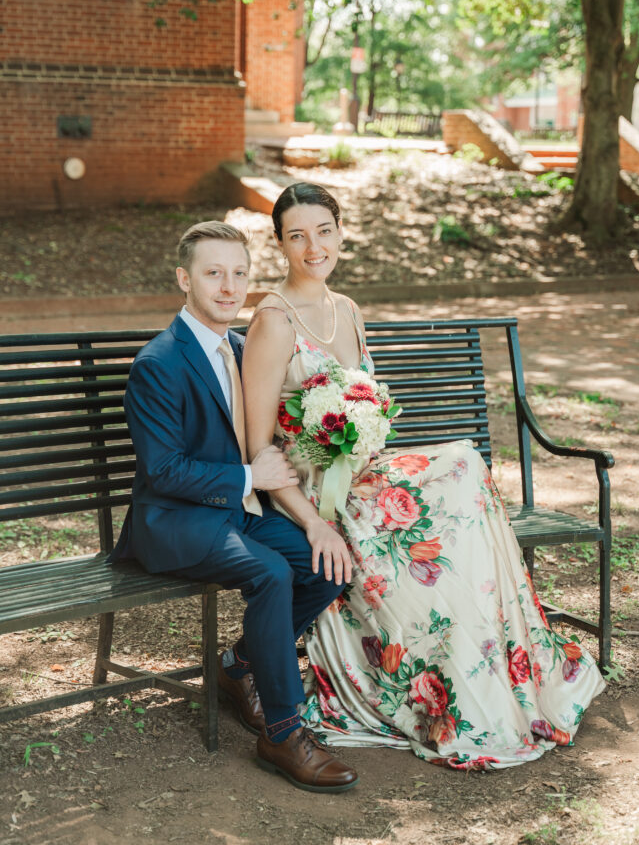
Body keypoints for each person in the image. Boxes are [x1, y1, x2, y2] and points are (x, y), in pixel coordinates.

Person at [241, 182, 606, 769]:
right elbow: (259, 449)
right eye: (297, 236)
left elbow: (369, 413)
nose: (313, 248)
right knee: (455, 493)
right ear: (280, 243)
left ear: (341, 233)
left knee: (465, 465)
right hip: (312, 494)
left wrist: (366, 433)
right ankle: (454, 687)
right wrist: (314, 523)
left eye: (324, 231)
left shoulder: (347, 309)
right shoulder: (272, 322)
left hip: (363, 476)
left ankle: (496, 670)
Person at [110, 220, 359, 792]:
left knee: (329, 566)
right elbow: (163, 470)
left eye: (239, 274)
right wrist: (250, 475)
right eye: (213, 273)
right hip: (173, 521)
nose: (229, 287)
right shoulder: (159, 363)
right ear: (185, 279)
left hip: (235, 514)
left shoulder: (243, 349)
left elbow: (263, 432)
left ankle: (238, 665)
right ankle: (284, 733)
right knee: (271, 573)